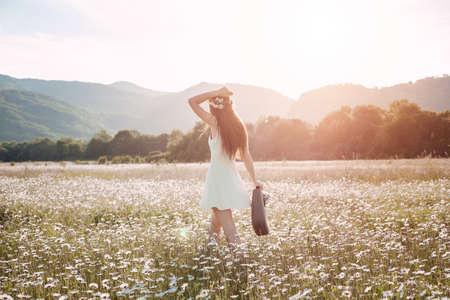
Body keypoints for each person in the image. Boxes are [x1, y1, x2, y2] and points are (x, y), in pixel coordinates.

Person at [188, 86, 262, 247]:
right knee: (216, 224)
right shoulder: (239, 126)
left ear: (212, 107)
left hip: (217, 180)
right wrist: (254, 180)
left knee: (230, 229)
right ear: (230, 105)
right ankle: (208, 257)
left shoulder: (215, 122)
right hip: (230, 178)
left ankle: (240, 263)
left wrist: (216, 92)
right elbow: (246, 156)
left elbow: (192, 101)